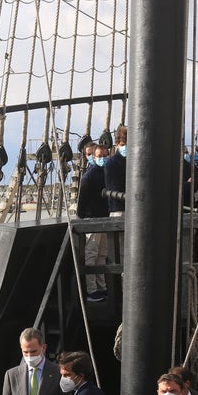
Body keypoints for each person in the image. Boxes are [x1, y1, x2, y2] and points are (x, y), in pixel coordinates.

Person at [77, 141, 110, 301]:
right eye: (99, 156)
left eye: (104, 156)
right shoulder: (89, 176)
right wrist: (82, 217)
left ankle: (101, 287)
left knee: (102, 254)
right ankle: (92, 290)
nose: (102, 159)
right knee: (92, 253)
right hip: (92, 218)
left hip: (103, 217)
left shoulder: (105, 172)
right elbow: (81, 201)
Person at [105, 125, 127, 216]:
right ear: (117, 145)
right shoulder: (112, 163)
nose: (125, 147)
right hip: (118, 209)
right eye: (122, 145)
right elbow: (114, 187)